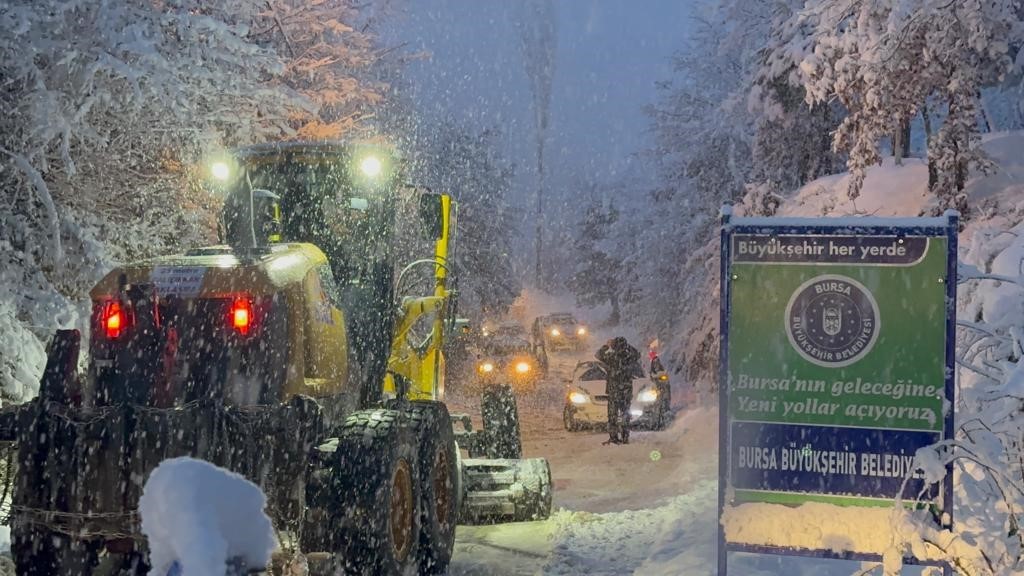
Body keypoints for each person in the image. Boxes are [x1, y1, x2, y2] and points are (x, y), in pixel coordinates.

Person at [596, 336, 640, 445]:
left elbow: (598, 355)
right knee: (625, 414)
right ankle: (625, 437)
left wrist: (606, 346)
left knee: (612, 416)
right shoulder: (628, 357)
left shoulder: (611, 358)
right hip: (625, 392)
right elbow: (637, 354)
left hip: (613, 392)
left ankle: (614, 437)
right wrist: (628, 346)